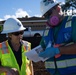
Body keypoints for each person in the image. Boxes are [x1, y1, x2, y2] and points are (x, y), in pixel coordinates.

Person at [38, 0, 76, 75]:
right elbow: (42, 46)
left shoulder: (73, 22)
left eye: (49, 13)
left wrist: (58, 50)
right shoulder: (47, 30)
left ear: (58, 9)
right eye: (46, 16)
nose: (48, 18)